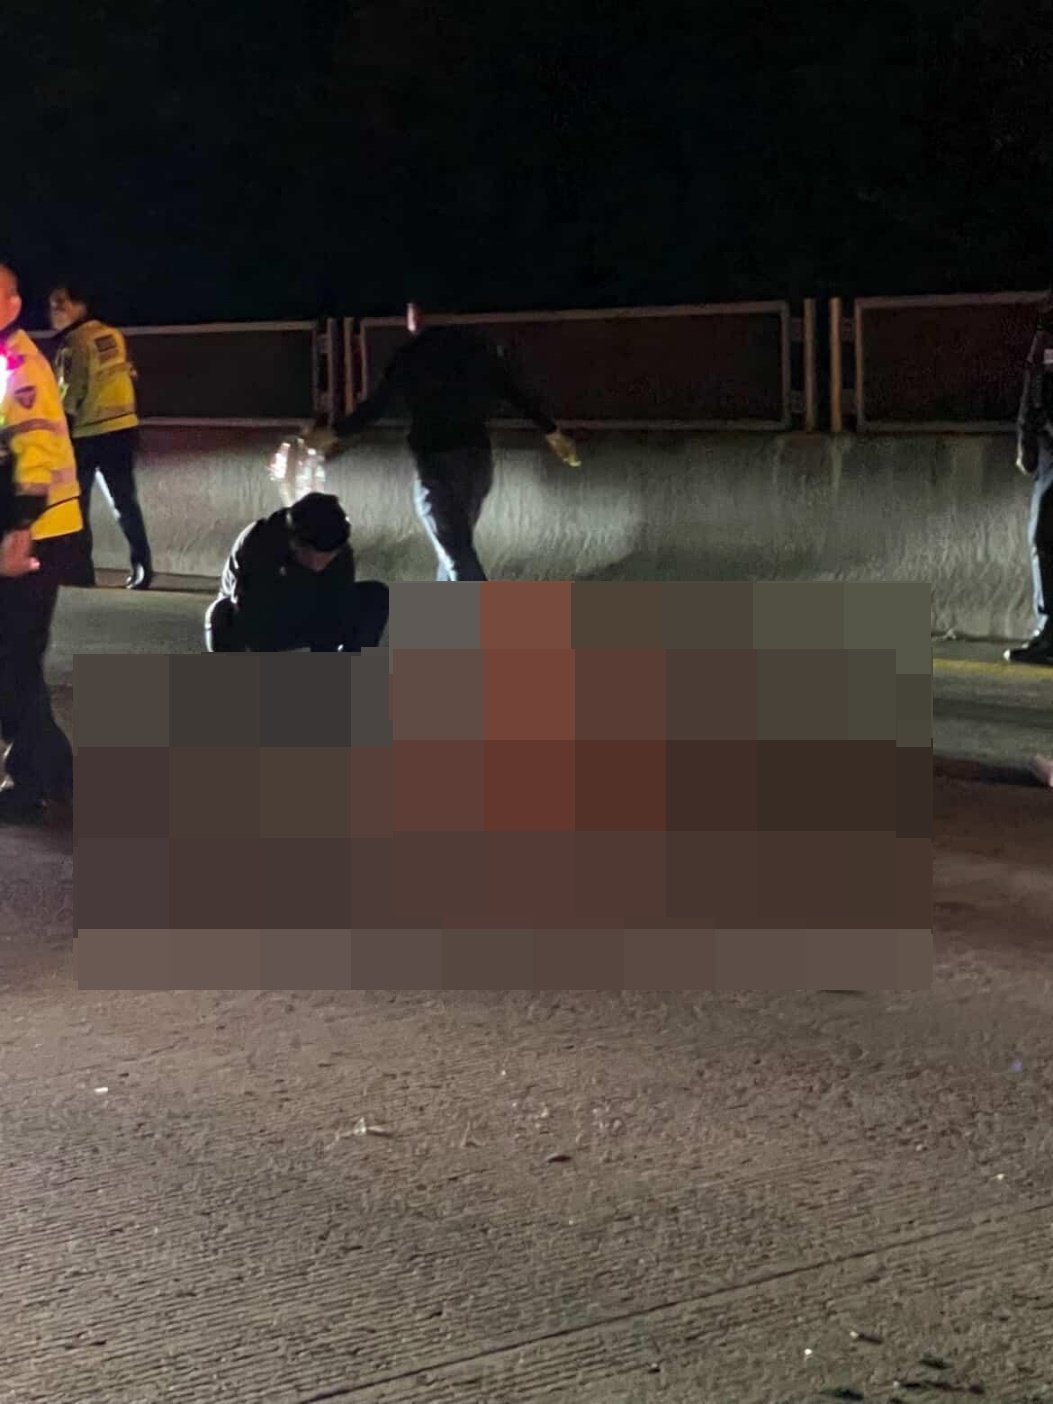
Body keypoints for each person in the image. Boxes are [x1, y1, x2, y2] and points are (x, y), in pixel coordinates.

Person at [306, 301, 580, 581]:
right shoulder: (477, 350)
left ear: (417, 316)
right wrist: (552, 432)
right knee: (453, 548)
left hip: (436, 465)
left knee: (456, 555)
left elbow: (375, 407)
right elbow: (516, 392)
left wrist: (332, 433)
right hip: (477, 461)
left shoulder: (412, 354)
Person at [0, 265, 83, 824]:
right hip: (26, 531)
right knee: (15, 662)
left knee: (12, 662)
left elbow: (36, 452)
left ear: (11, 306)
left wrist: (19, 528)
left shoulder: (18, 363)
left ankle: (32, 781)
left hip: (35, 535)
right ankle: (51, 772)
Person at [48, 283, 153, 590]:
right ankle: (142, 567)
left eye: (60, 305)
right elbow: (130, 375)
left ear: (80, 306)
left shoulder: (73, 343)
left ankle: (80, 573)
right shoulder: (113, 336)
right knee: (125, 503)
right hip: (122, 429)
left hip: (87, 434)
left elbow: (70, 393)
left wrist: (60, 437)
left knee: (76, 506)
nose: (54, 313)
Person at [205, 491, 389, 653]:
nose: (322, 564)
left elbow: (338, 607)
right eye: (316, 556)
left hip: (308, 612)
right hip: (260, 621)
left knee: (375, 596)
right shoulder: (259, 541)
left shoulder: (339, 548)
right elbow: (247, 610)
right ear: (296, 544)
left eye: (330, 556)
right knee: (221, 614)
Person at [1005, 294, 1053, 665]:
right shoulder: (1047, 329)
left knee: (1044, 537)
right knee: (1043, 536)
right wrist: (1027, 437)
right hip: (1050, 452)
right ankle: (1048, 631)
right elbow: (1034, 380)